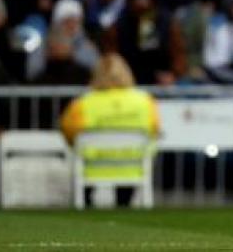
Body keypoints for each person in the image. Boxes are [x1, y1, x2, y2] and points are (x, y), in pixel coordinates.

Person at [60, 54, 159, 207]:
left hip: (92, 166)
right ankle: (124, 205)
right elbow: (154, 129)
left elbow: (68, 132)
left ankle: (87, 205)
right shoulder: (144, 101)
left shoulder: (83, 103)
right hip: (133, 165)